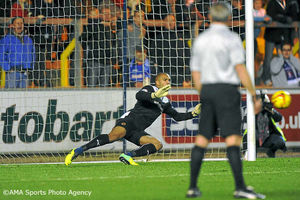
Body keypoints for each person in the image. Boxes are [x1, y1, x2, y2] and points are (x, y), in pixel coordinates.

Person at [187, 3, 265, 199]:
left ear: (210, 17)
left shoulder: (201, 39)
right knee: (232, 140)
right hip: (227, 91)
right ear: (229, 18)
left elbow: (195, 72)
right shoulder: (232, 38)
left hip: (207, 90)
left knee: (202, 139)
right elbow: (240, 69)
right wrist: (254, 95)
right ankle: (240, 187)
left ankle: (192, 188)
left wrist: (202, 93)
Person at [65, 73, 201, 166]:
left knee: (157, 144)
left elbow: (177, 116)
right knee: (114, 136)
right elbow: (139, 96)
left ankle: (128, 156)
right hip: (129, 120)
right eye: (165, 79)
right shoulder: (149, 88)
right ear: (158, 82)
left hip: (137, 130)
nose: (167, 82)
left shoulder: (165, 102)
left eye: (168, 80)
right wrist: (153, 95)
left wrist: (193, 114)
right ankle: (78, 151)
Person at [261, 0, 296, 86]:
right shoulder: (272, 3)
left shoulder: (289, 3)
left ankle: (281, 78)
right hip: (271, 35)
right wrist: (284, 18)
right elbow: (272, 15)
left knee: (282, 58)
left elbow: (292, 16)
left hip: (282, 35)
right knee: (268, 58)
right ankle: (266, 78)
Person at [242, 93, 287, 158]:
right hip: (256, 135)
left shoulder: (269, 110)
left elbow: (279, 118)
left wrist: (270, 110)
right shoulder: (251, 109)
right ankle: (251, 155)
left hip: (268, 136)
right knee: (251, 137)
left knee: (279, 141)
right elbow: (247, 118)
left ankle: (271, 152)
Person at [0, 17, 35, 88]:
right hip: (12, 74)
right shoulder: (6, 39)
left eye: (21, 23)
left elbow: (33, 55)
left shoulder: (28, 40)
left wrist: (30, 68)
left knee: (23, 98)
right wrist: (8, 69)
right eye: (17, 23)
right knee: (11, 97)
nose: (20, 25)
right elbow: (1, 55)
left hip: (25, 74)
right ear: (13, 25)